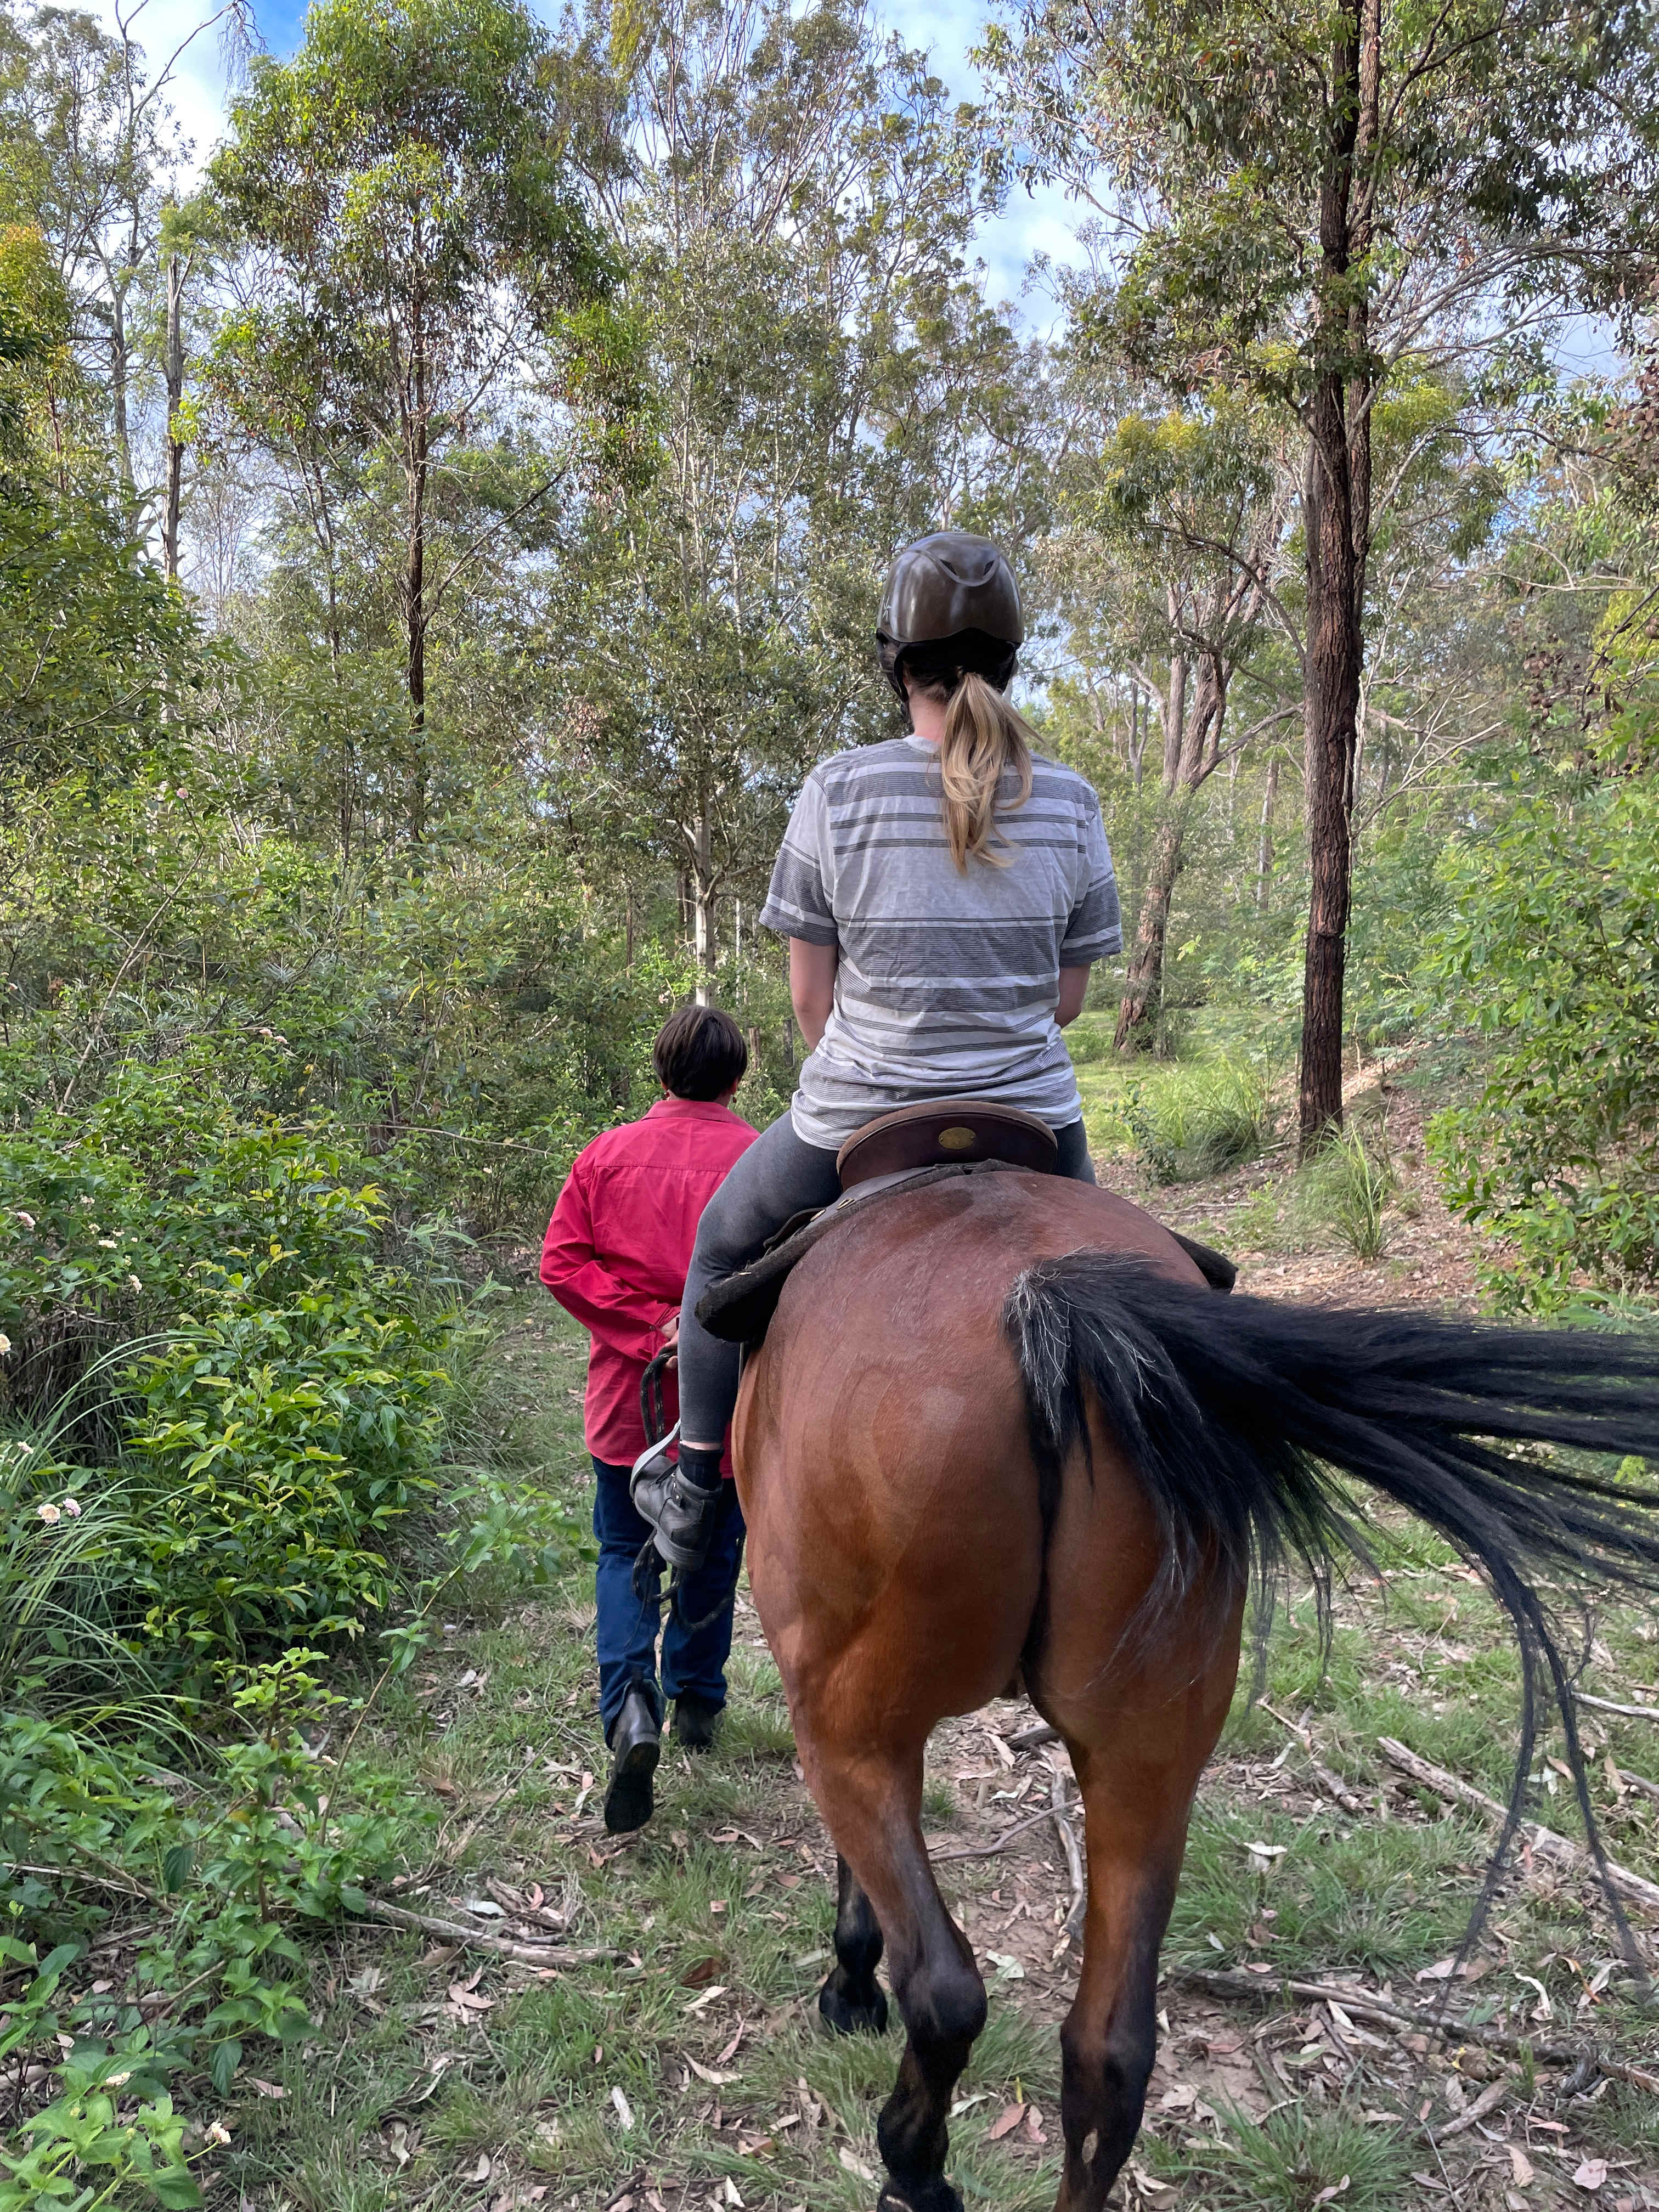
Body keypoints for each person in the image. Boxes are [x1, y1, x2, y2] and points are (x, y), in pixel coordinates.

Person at [634, 530, 1122, 1572]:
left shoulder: (838, 790)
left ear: (897, 665)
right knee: (1136, 1281)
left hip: (861, 1112)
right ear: (1011, 662)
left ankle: (697, 1480)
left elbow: (812, 1005)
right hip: (1034, 1119)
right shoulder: (1073, 801)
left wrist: (891, 1049)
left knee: (720, 1248)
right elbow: (1069, 1001)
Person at [539, 1005, 758, 1832]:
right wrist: (698, 1327)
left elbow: (562, 1264)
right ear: (736, 1078)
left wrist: (647, 1326)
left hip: (628, 1400)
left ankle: (631, 1705)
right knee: (715, 1546)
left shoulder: (607, 1155)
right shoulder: (763, 1161)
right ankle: (696, 1699)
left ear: (661, 1072)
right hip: (727, 1407)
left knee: (626, 1547)